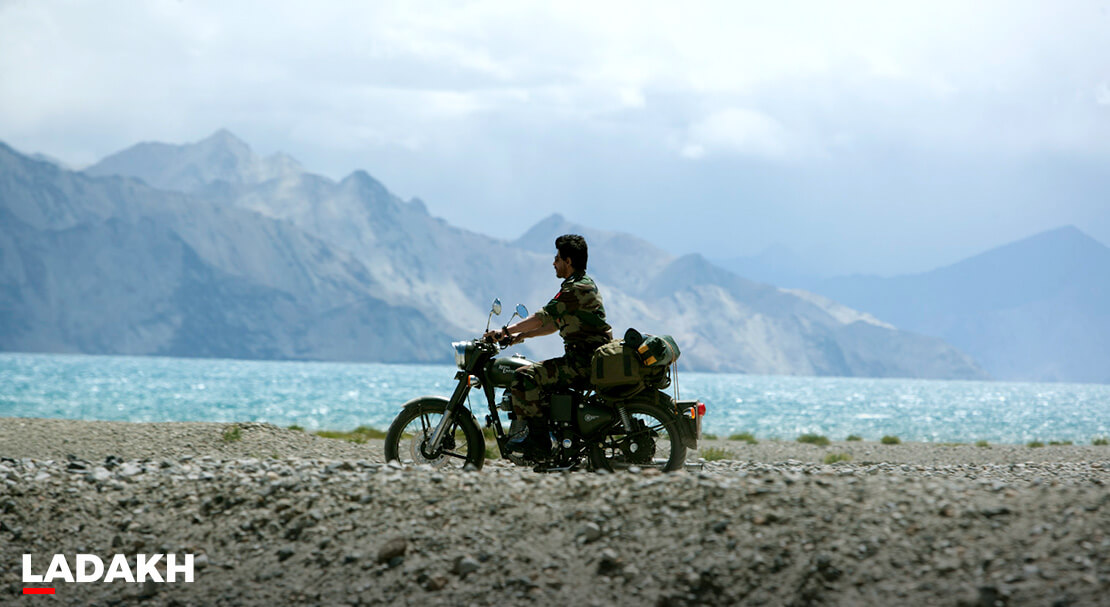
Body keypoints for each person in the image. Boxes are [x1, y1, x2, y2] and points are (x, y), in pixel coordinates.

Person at [483, 234, 612, 457]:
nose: (554, 262)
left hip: (581, 362)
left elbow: (542, 317)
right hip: (587, 359)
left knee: (524, 377)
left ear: (568, 261)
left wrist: (504, 331)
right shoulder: (584, 284)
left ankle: (537, 440)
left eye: (557, 258)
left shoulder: (574, 289)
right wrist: (519, 337)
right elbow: (552, 324)